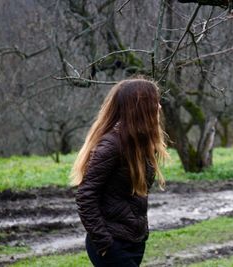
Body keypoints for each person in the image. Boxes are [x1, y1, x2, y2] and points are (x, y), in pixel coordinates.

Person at [70, 78, 169, 267]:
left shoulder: (142, 143)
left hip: (134, 241)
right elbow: (85, 195)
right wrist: (104, 242)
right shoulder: (112, 145)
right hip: (111, 243)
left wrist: (140, 234)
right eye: (154, 102)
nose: (159, 107)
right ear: (140, 107)